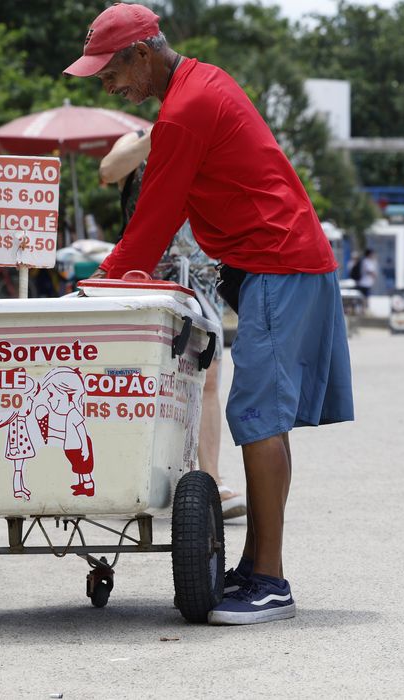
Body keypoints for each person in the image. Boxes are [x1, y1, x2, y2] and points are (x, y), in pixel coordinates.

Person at [65, 2, 353, 625]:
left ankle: (271, 582)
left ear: (142, 53)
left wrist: (100, 283)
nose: (108, 85)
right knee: (263, 418)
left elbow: (155, 219)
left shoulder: (186, 110)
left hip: (279, 263)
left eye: (110, 72)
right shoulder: (199, 82)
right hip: (277, 264)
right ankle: (256, 568)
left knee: (257, 416)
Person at [97, 127, 247, 519]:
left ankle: (209, 478)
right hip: (145, 274)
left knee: (208, 374)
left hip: (197, 275)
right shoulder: (136, 137)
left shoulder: (204, 143)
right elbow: (109, 170)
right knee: (141, 377)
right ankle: (133, 476)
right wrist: (158, 135)